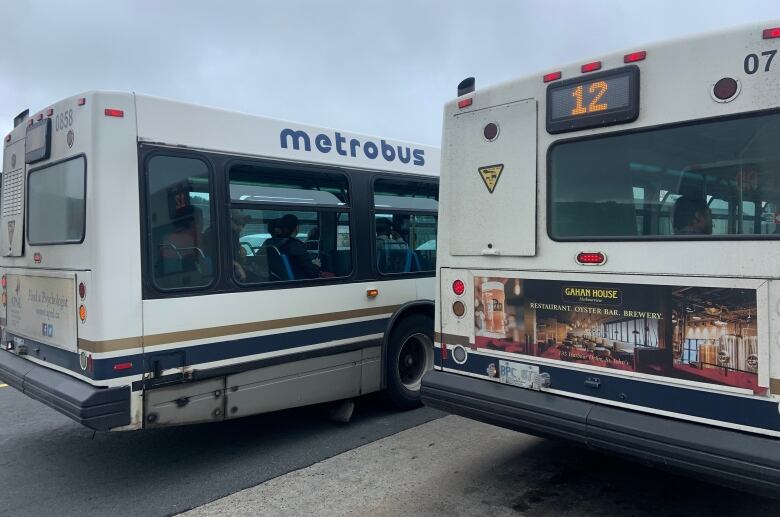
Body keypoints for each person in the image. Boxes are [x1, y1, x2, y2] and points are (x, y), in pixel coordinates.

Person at [265, 214, 321, 279]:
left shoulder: (269, 243)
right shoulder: (295, 245)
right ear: (296, 228)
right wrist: (316, 265)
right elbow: (313, 273)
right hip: (299, 282)